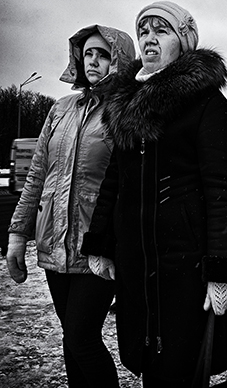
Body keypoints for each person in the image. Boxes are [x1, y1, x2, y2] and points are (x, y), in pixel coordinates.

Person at [81, 1, 227, 387]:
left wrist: (222, 273)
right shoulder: (127, 103)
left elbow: (221, 194)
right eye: (144, 31)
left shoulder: (206, 103)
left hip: (185, 265)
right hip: (136, 263)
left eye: (161, 30)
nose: (149, 39)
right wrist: (102, 242)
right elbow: (114, 180)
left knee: (183, 368)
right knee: (149, 364)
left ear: (183, 41)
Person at [6, 25, 136, 388]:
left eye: (104, 54)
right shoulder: (61, 109)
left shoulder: (126, 110)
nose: (93, 61)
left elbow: (129, 182)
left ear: (120, 60)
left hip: (96, 247)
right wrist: (18, 232)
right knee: (71, 340)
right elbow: (37, 175)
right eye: (88, 53)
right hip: (53, 242)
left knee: (82, 338)